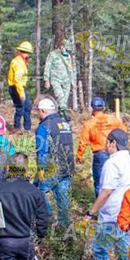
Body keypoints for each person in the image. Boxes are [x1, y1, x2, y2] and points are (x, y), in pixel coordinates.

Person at [83, 129, 130, 260]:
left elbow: (106, 191)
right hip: (127, 214)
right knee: (123, 252)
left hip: (111, 215)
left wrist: (91, 212)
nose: (105, 145)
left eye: (107, 141)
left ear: (113, 143)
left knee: (100, 249)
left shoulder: (112, 163)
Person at [34, 98, 74, 229]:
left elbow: (42, 151)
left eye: (38, 112)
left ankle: (48, 217)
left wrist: (40, 171)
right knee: (62, 197)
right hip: (67, 167)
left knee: (38, 193)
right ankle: (64, 226)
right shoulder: (64, 123)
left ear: (43, 111)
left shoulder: (44, 126)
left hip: (52, 168)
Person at [76, 96, 127, 197]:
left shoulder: (89, 123)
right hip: (115, 152)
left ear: (92, 108)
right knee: (116, 180)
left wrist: (79, 156)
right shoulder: (113, 120)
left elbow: (83, 142)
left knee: (100, 183)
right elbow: (124, 132)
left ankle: (100, 207)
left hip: (100, 155)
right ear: (103, 107)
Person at [44, 39, 77, 114]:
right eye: (65, 48)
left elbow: (70, 69)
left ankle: (60, 114)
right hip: (56, 79)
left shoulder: (68, 56)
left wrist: (72, 81)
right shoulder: (52, 55)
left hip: (66, 79)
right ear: (61, 46)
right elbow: (47, 67)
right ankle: (64, 114)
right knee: (60, 96)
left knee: (65, 99)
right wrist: (46, 79)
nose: (65, 50)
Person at [7, 41, 34, 131]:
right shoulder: (19, 63)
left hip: (19, 87)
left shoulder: (20, 61)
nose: (28, 55)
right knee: (20, 108)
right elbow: (17, 79)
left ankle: (26, 128)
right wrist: (21, 93)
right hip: (17, 88)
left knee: (27, 107)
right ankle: (17, 128)